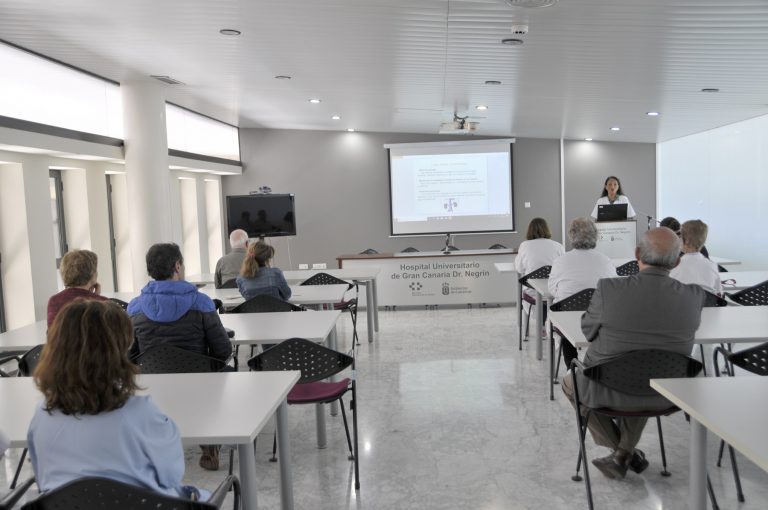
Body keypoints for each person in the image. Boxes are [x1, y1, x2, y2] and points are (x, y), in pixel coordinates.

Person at [562, 227, 705, 480]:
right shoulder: (694, 296)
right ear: (677, 260)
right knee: (645, 370)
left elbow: (587, 331)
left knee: (570, 381)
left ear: (637, 253)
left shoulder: (610, 289)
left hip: (606, 388)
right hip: (668, 393)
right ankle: (625, 453)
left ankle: (622, 452)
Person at [28, 300, 205, 500]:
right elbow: (172, 474)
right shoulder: (140, 414)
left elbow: (43, 479)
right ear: (118, 350)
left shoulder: (42, 415)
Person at [127, 243, 232, 471]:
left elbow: (130, 354)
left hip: (153, 384)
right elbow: (223, 351)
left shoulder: (134, 308)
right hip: (199, 383)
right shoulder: (202, 302)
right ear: (177, 266)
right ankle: (209, 443)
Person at [548, 217, 617, 368]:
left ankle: (570, 370)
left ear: (571, 235)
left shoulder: (561, 261)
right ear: (595, 236)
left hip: (567, 317)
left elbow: (552, 290)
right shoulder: (605, 260)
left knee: (565, 325)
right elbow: (614, 291)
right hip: (599, 320)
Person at [47, 249, 108, 327]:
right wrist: (97, 297)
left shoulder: (54, 301)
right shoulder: (105, 304)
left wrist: (95, 297)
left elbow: (51, 335)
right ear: (92, 275)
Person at [670, 220, 722, 295]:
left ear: (685, 241)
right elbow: (719, 293)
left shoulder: (674, 267)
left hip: (681, 305)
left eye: (680, 235)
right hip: (708, 305)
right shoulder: (712, 266)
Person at [515, 218, 564, 294]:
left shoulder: (524, 245)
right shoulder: (558, 246)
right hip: (554, 291)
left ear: (529, 231)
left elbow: (519, 269)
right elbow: (563, 269)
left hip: (532, 290)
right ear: (547, 229)